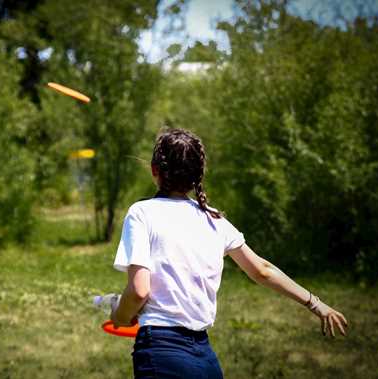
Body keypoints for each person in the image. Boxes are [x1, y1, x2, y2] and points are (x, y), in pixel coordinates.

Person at [110, 128, 348, 379]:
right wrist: (316, 304)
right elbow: (263, 271)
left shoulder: (142, 213)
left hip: (162, 351)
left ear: (154, 170)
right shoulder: (214, 219)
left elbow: (139, 291)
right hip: (204, 357)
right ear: (198, 175)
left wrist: (120, 315)